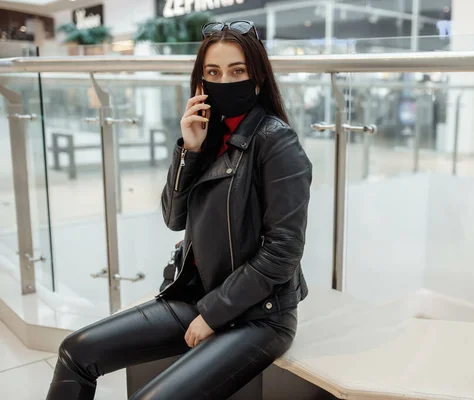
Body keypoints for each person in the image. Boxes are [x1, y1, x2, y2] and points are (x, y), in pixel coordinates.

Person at [45, 20, 312, 400]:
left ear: (257, 78)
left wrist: (214, 314)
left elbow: (283, 251)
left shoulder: (276, 141)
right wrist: (189, 150)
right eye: (213, 72)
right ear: (201, 83)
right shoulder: (208, 135)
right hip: (196, 296)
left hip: (259, 315)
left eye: (237, 71)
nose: (226, 81)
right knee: (75, 351)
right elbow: (174, 219)